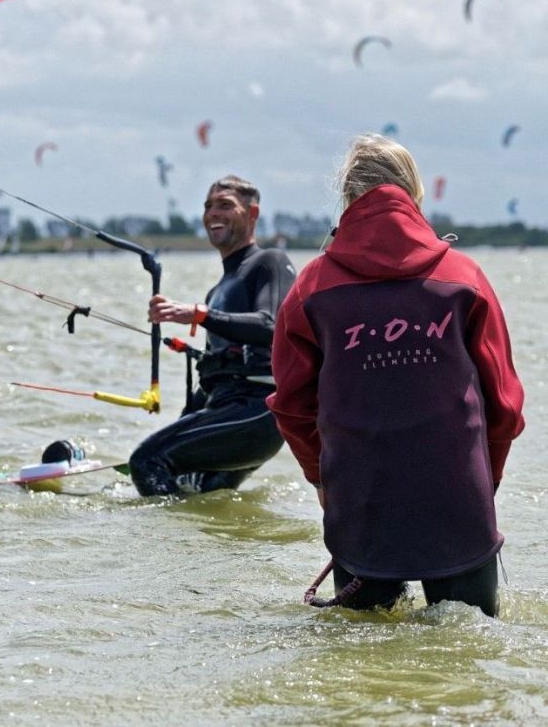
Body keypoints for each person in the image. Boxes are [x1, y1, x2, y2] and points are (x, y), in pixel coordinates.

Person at [267, 134, 525, 616]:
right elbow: (506, 406)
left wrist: (323, 482)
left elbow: (290, 407)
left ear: (348, 196)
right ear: (414, 192)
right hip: (459, 505)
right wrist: (483, 480)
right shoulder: (463, 276)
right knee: (470, 663)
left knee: (361, 664)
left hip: (361, 508)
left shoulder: (311, 287)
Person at [128, 175, 297, 496]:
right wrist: (179, 429)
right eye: (208, 206)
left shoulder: (268, 263)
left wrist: (199, 314)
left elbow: (272, 327)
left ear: (252, 213)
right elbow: (211, 381)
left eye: (225, 205)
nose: (213, 214)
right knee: (198, 491)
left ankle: (159, 545)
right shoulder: (216, 291)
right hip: (225, 409)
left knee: (147, 461)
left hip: (257, 409)